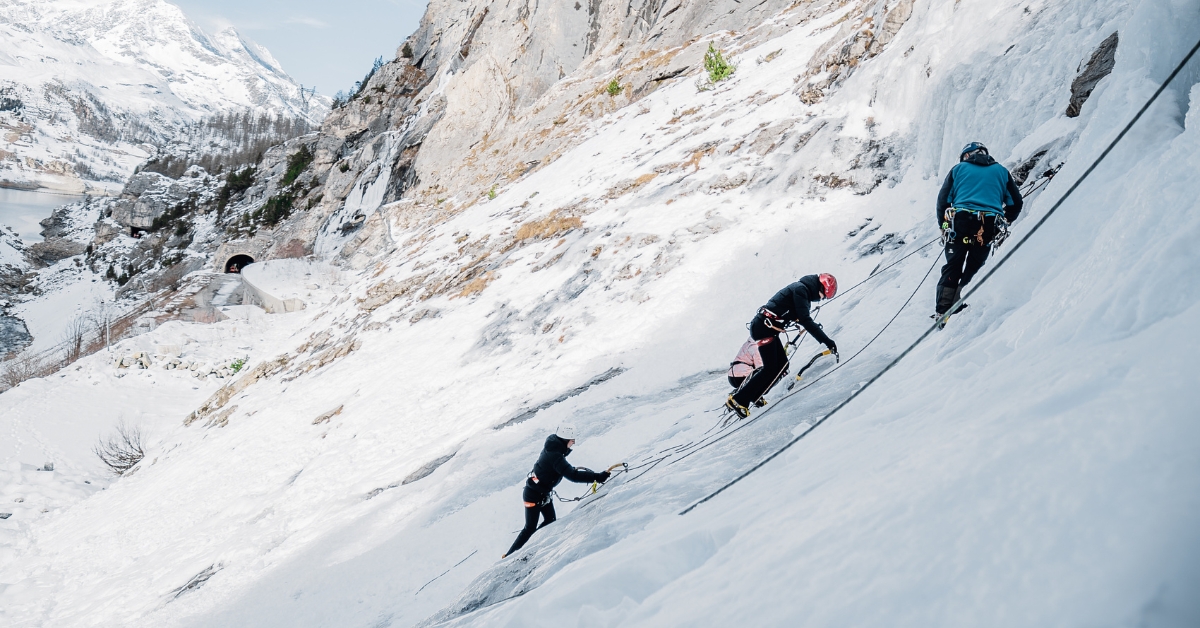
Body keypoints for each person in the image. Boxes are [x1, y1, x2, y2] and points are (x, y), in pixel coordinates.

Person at [725, 274, 838, 419]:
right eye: (823, 296)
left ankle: (753, 395)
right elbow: (806, 320)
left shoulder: (801, 290)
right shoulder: (801, 290)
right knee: (771, 368)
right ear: (820, 287)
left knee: (782, 365)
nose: (821, 299)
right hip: (764, 328)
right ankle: (739, 400)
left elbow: (795, 313)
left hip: (766, 328)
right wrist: (827, 341)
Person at [934, 142, 1024, 319]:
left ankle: (943, 312)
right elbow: (1016, 203)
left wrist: (943, 226)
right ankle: (961, 308)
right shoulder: (1002, 172)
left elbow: (943, 201)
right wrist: (1006, 220)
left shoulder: (958, 169)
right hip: (988, 226)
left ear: (967, 155)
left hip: (959, 223)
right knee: (975, 267)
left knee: (953, 266)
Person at [503, 426, 610, 558]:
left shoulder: (554, 449)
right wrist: (597, 477)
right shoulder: (555, 455)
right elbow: (573, 476)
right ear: (565, 440)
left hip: (541, 493)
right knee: (530, 528)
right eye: (572, 440)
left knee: (550, 520)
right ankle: (509, 556)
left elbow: (559, 469)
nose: (574, 443)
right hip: (533, 495)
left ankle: (531, 546)